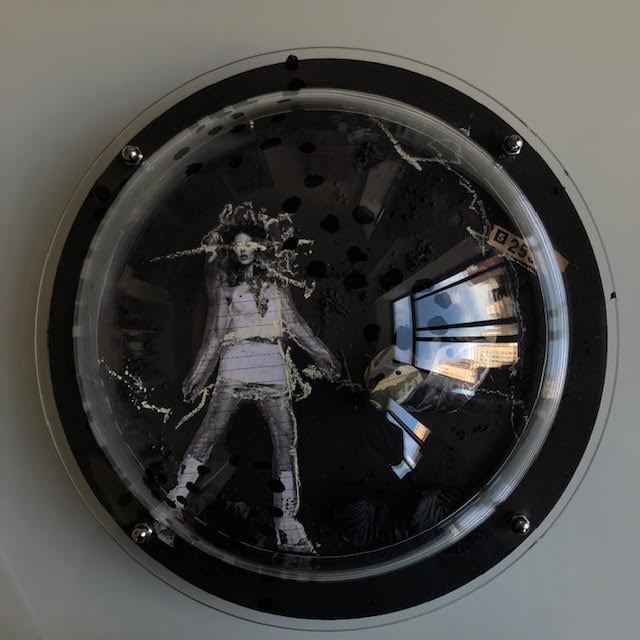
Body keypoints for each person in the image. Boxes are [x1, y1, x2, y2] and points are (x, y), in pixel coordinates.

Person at [166, 205, 340, 554]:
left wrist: (323, 355)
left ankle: (286, 521)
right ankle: (176, 498)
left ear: (260, 246)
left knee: (286, 439)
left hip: (270, 361)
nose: (243, 249)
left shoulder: (276, 283)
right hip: (236, 359)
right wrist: (198, 374)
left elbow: (295, 324)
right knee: (211, 430)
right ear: (231, 249)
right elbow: (215, 333)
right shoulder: (224, 285)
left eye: (249, 243)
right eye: (238, 245)